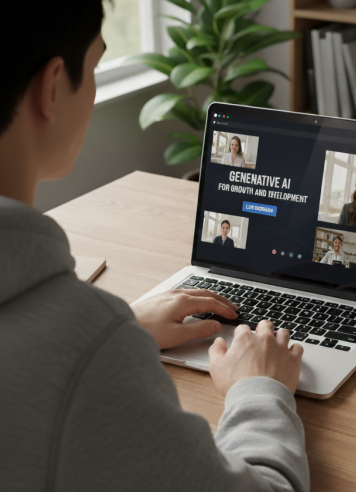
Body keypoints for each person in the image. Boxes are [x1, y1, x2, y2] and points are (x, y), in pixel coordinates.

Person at [0, 2, 308, 491]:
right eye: (97, 64)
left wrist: (120, 323)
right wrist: (259, 390)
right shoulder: (88, 353)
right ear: (53, 87)